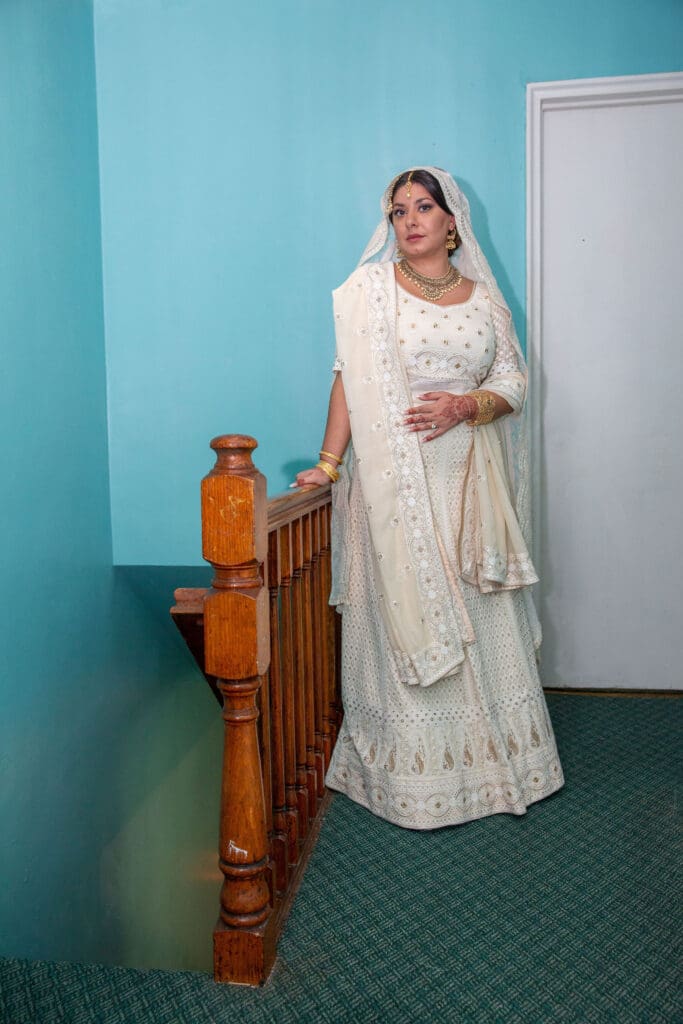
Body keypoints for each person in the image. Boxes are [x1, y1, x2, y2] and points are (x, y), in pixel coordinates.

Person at [295, 167, 564, 830]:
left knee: (478, 612)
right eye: (397, 211)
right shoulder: (371, 291)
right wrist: (328, 464)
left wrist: (466, 404)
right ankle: (408, 778)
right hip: (391, 483)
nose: (409, 220)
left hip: (468, 482)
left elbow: (513, 381)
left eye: (422, 207)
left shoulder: (483, 300)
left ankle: (500, 764)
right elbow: (346, 383)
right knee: (400, 611)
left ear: (451, 221)